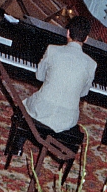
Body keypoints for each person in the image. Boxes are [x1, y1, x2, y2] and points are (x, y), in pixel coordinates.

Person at [21, 15, 96, 149]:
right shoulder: (91, 64)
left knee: (24, 104)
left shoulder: (52, 50)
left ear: (68, 33)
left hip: (41, 109)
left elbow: (39, 76)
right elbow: (83, 93)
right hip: (67, 119)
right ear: (86, 39)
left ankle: (18, 144)